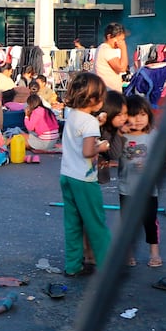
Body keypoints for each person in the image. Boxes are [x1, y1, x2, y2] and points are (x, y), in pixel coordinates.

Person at [60, 72, 111, 277]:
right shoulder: (89, 122)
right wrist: (103, 146)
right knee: (95, 223)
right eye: (101, 97)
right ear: (92, 99)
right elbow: (88, 151)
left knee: (72, 224)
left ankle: (73, 266)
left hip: (67, 175)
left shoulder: (71, 114)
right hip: (85, 179)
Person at [118, 95, 163, 268]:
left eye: (142, 114)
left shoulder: (153, 135)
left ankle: (154, 252)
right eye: (133, 115)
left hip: (148, 190)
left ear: (149, 116)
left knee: (150, 221)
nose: (138, 119)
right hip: (126, 188)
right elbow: (112, 154)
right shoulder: (121, 136)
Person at [96, 90, 127, 183]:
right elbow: (115, 154)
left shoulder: (109, 127)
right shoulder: (105, 130)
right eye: (119, 115)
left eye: (125, 113)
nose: (123, 118)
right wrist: (119, 133)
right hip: (87, 176)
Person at [23, 92, 61, 161]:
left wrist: (26, 115)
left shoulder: (36, 111)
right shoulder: (47, 110)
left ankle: (3, 144)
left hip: (45, 142)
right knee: (23, 136)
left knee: (20, 141)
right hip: (53, 140)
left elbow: (30, 127)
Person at [94, 23, 129, 93]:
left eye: (122, 40)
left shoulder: (102, 48)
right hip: (109, 92)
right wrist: (123, 48)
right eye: (118, 40)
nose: (120, 42)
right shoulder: (106, 50)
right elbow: (122, 68)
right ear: (109, 37)